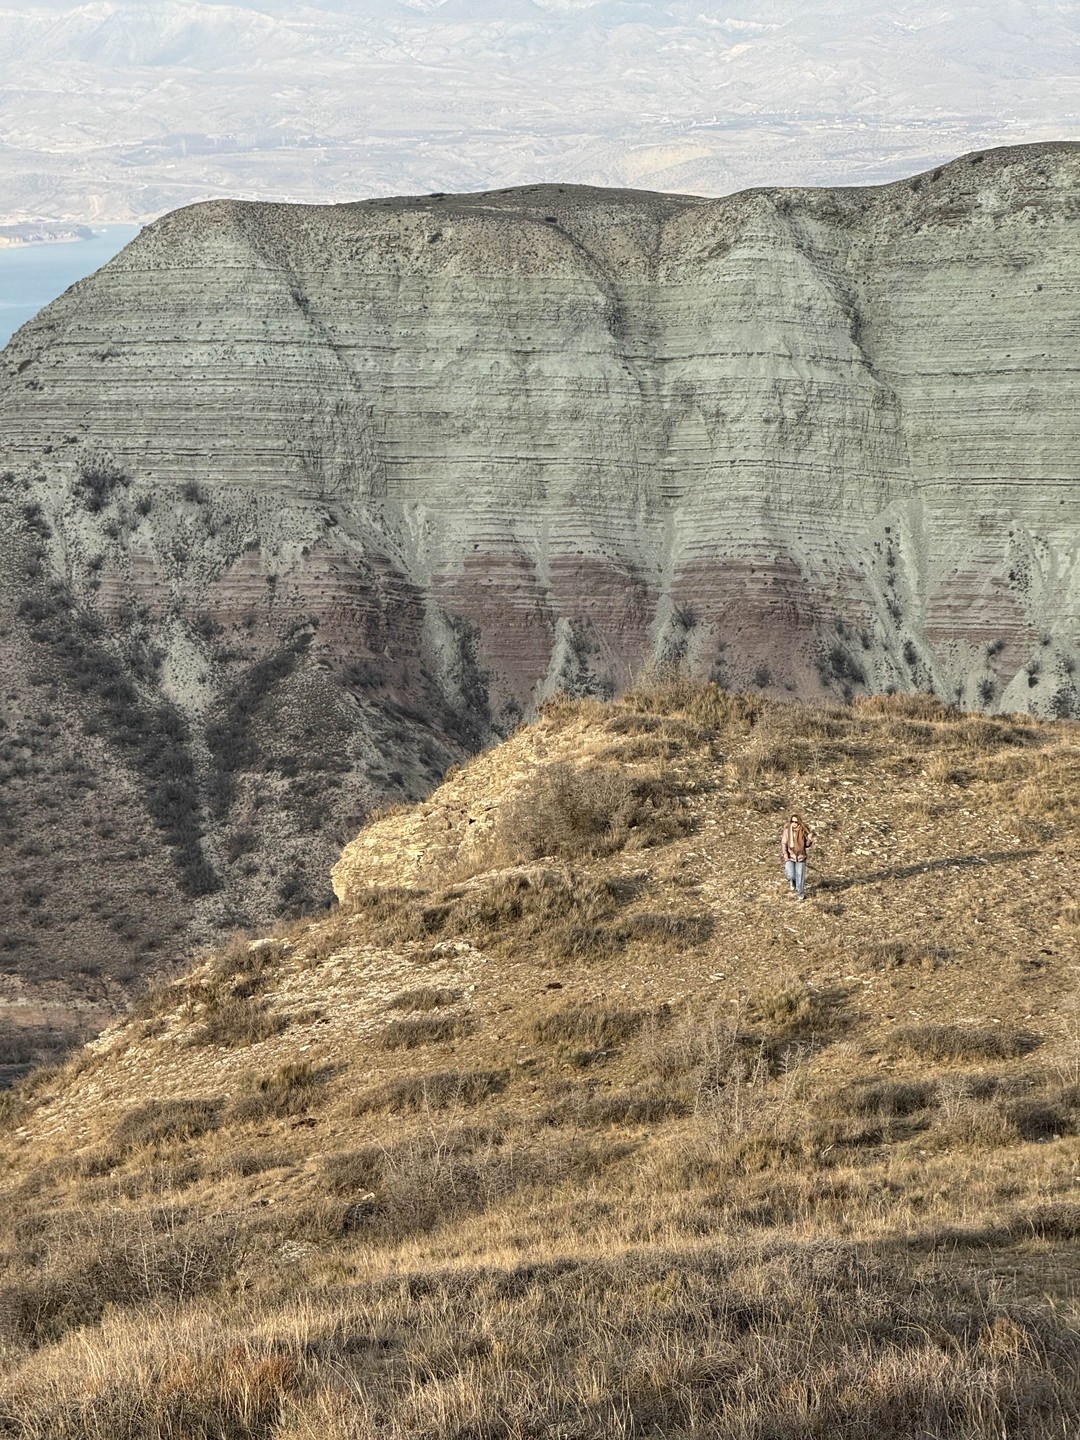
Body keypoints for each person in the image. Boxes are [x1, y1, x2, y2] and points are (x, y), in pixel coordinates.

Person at [781, 813, 813, 900]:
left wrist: (809, 840)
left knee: (800, 876)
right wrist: (785, 854)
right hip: (790, 856)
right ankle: (792, 881)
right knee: (790, 874)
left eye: (796, 822)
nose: (794, 823)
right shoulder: (787, 831)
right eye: (792, 821)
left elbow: (806, 845)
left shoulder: (803, 831)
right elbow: (784, 843)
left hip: (800, 856)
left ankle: (800, 893)